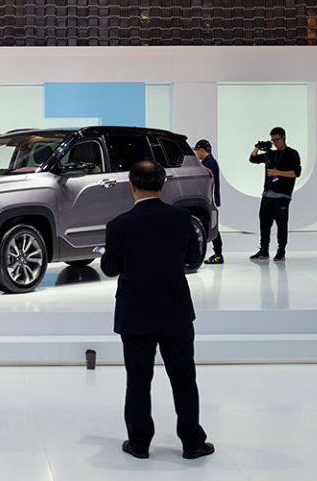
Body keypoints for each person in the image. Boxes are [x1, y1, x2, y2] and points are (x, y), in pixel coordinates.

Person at [101, 160, 214, 460]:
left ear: (132, 186)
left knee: (138, 381)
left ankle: (139, 443)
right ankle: (192, 442)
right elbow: (193, 259)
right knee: (184, 378)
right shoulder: (182, 218)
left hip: (135, 312)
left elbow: (110, 268)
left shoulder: (119, 225)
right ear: (163, 185)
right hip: (175, 310)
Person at [249, 127, 302, 262]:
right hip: (267, 194)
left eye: (277, 140)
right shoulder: (271, 154)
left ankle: (281, 251)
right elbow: (253, 159)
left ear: (284, 137)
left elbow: (296, 173)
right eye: (273, 141)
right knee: (264, 224)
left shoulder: (292, 154)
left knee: (281, 225)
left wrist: (278, 173)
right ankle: (264, 250)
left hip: (282, 196)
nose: (275, 143)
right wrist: (257, 147)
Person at [194, 139, 223, 264]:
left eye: (197, 151)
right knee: (212, 225)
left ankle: (218, 255)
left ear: (201, 150)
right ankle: (218, 254)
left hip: (209, 198)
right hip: (210, 198)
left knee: (213, 226)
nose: (196, 154)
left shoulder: (209, 164)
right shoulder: (209, 162)